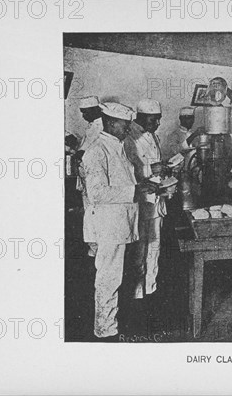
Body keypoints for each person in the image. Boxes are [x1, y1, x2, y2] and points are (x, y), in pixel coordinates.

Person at [82, 102, 141, 339]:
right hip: (108, 225)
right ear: (110, 122)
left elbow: (123, 183)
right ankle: (105, 330)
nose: (128, 129)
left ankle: (109, 326)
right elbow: (97, 193)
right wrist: (135, 190)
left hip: (118, 223)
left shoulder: (118, 146)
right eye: (125, 125)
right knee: (108, 278)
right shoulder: (96, 151)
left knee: (113, 276)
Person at [124, 99, 166, 299]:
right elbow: (129, 171)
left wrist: (164, 172)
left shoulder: (153, 136)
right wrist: (152, 169)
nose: (157, 124)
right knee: (139, 248)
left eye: (158, 119)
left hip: (156, 201)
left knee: (155, 245)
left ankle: (151, 288)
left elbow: (156, 164)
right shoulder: (129, 137)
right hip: (141, 201)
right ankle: (137, 293)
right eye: (153, 119)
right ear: (140, 117)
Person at [76, 96, 104, 257]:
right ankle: (94, 247)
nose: (83, 116)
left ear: (96, 110)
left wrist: (78, 153)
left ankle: (97, 248)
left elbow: (89, 152)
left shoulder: (101, 127)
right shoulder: (92, 126)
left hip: (94, 179)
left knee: (94, 214)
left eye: (86, 112)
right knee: (90, 213)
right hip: (87, 178)